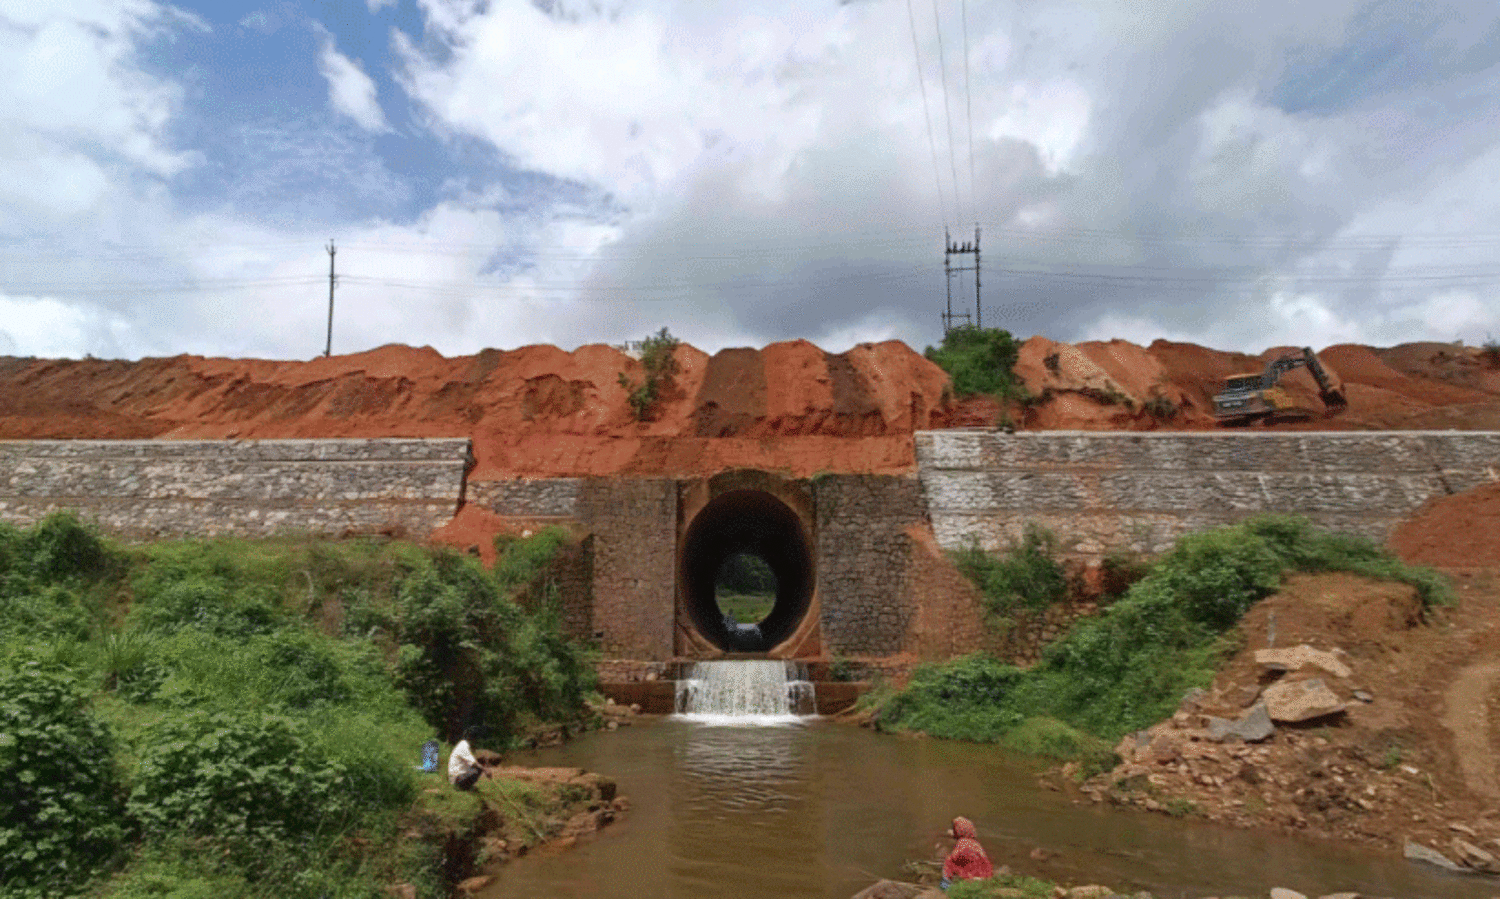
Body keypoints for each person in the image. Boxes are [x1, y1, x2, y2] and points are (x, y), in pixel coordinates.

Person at [941, 816, 994, 889]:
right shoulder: (976, 844)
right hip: (984, 878)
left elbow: (953, 860)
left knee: (948, 864)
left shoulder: (962, 844)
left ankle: (944, 887)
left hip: (971, 879)